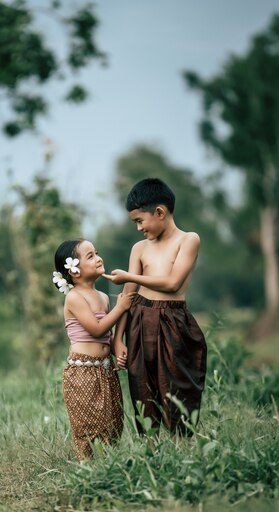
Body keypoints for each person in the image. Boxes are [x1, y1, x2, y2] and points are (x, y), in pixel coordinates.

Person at [103, 177, 207, 436]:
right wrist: (118, 339)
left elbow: (172, 283)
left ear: (160, 212)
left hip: (173, 321)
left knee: (178, 385)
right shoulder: (139, 248)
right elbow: (127, 297)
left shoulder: (188, 240)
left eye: (140, 220)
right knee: (142, 386)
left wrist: (129, 277)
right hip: (139, 320)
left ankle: (182, 446)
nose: (138, 228)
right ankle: (151, 449)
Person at [53, 239, 134, 460]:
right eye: (90, 256)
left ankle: (108, 466)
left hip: (105, 370)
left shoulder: (103, 297)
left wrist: (118, 347)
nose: (98, 258)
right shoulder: (74, 298)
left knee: (111, 420)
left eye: (96, 252)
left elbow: (108, 334)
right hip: (82, 372)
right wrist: (121, 307)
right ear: (74, 271)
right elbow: (97, 329)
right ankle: (86, 469)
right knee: (88, 423)